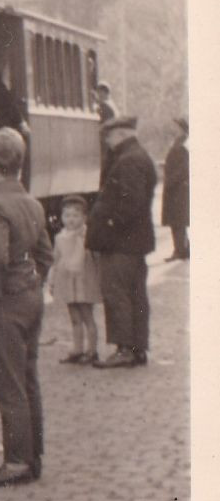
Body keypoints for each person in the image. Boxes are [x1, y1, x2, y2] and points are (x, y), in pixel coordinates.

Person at [0, 128, 54, 487]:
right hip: (30, 297)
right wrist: (33, 283)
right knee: (28, 378)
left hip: (6, 301)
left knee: (8, 384)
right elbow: (46, 255)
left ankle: (17, 461)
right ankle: (33, 456)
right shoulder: (31, 203)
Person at [88, 115, 158, 369]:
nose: (107, 141)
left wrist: (111, 223)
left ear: (121, 134)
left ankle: (124, 349)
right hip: (133, 242)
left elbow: (131, 201)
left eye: (108, 136)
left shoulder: (128, 160)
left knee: (117, 293)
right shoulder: (136, 156)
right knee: (135, 294)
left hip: (121, 242)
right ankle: (137, 348)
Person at [50, 195, 102, 366]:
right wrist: (53, 280)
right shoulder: (60, 237)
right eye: (67, 215)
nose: (70, 219)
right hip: (68, 281)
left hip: (84, 280)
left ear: (84, 217)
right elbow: (56, 260)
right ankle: (78, 349)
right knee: (74, 317)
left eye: (75, 215)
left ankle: (92, 350)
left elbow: (96, 257)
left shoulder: (87, 235)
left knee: (87, 316)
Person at [163, 117, 189, 261]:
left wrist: (171, 181)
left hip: (178, 189)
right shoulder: (179, 142)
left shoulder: (184, 144)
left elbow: (184, 167)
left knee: (178, 221)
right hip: (176, 189)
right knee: (177, 221)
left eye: (175, 126)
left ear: (182, 128)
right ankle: (183, 249)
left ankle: (180, 251)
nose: (172, 129)